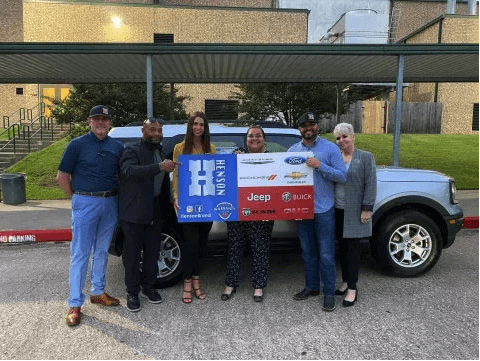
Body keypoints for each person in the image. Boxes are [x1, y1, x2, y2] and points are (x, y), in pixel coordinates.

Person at [57, 105, 125, 326]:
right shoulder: (76, 145)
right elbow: (62, 176)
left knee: (102, 250)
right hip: (85, 201)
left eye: (105, 120)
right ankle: (75, 303)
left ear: (109, 123)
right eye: (97, 119)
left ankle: (98, 292)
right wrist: (76, 200)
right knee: (80, 253)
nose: (101, 123)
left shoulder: (117, 146)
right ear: (89, 121)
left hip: (110, 202)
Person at [288, 112, 347, 311]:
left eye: (312, 124)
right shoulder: (292, 150)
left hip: (324, 208)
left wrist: (320, 165)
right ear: (300, 129)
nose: (308, 128)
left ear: (317, 126)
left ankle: (329, 293)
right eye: (304, 125)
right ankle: (312, 287)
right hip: (301, 209)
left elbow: (342, 176)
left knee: (327, 253)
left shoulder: (330, 148)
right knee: (308, 252)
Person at [118, 117, 176, 312]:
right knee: (132, 255)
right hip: (134, 212)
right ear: (144, 131)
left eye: (159, 130)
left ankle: (148, 288)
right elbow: (128, 171)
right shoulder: (131, 150)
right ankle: (132, 292)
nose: (157, 134)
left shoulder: (160, 151)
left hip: (156, 211)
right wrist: (159, 167)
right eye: (153, 130)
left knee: (152, 253)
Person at [221, 126, 274, 303]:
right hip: (237, 209)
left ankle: (258, 286)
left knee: (261, 248)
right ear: (246, 140)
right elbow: (224, 172)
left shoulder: (273, 158)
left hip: (263, 210)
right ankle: (230, 283)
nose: (254, 139)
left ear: (264, 139)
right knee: (235, 247)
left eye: (258, 135)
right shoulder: (237, 154)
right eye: (251, 136)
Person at [172, 111, 216, 304]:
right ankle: (187, 283)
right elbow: (176, 175)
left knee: (201, 246)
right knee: (189, 246)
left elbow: (216, 174)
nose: (198, 127)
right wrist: (175, 197)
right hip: (188, 204)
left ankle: (197, 281)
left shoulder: (211, 148)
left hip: (207, 204)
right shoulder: (180, 148)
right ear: (190, 127)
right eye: (195, 124)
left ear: (205, 128)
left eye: (202, 125)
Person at [333, 123, 376, 307]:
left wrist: (367, 208)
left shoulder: (365, 157)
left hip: (356, 212)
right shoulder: (335, 157)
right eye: (338, 138)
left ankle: (352, 288)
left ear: (353, 137)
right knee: (342, 249)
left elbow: (371, 183)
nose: (341, 141)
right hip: (337, 210)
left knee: (352, 251)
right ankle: (345, 281)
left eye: (344, 136)